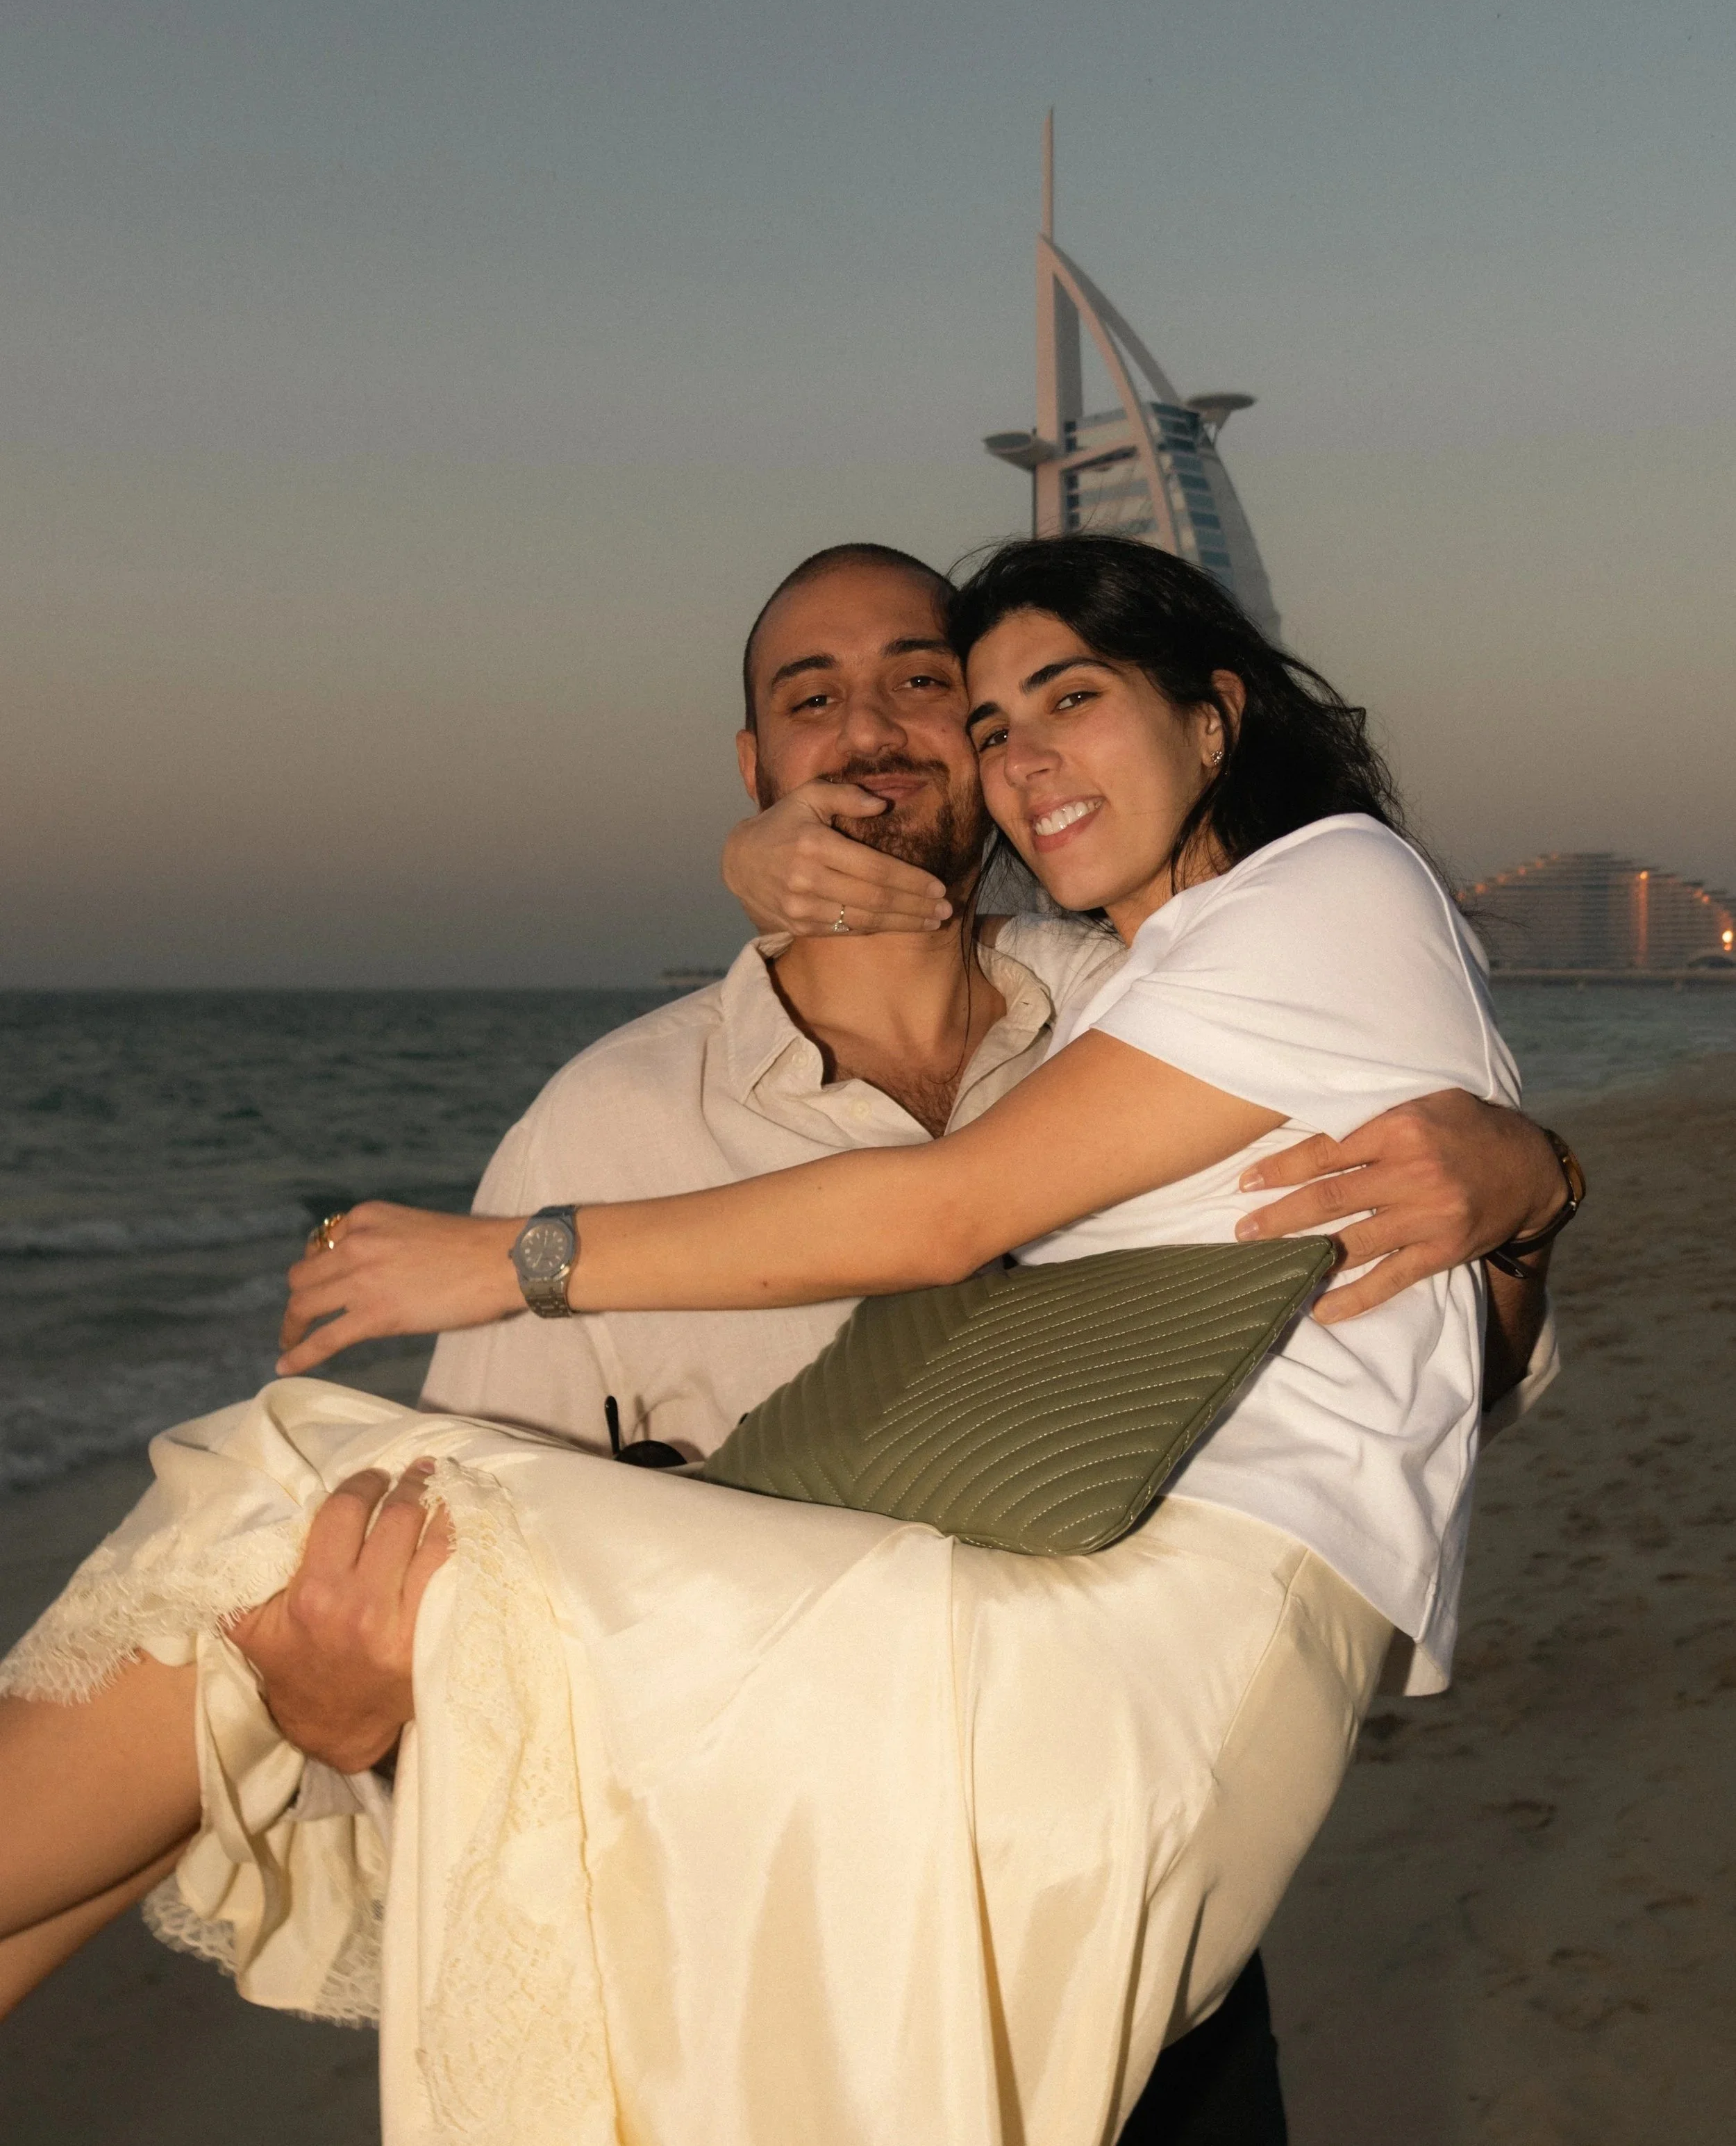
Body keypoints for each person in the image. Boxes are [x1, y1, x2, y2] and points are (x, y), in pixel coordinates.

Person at [0, 538, 1576, 2146]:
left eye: (938, 691)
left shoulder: (1131, 984)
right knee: (280, 1523)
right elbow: (427, 1581)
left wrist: (1527, 1191)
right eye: (815, 703)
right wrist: (350, 1722)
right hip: (785, 1807)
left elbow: (1428, 1360)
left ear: (1211, 719)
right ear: (754, 770)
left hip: (1050, 1722)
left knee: (267, 1487)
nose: (897, 735)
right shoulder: (606, 1124)